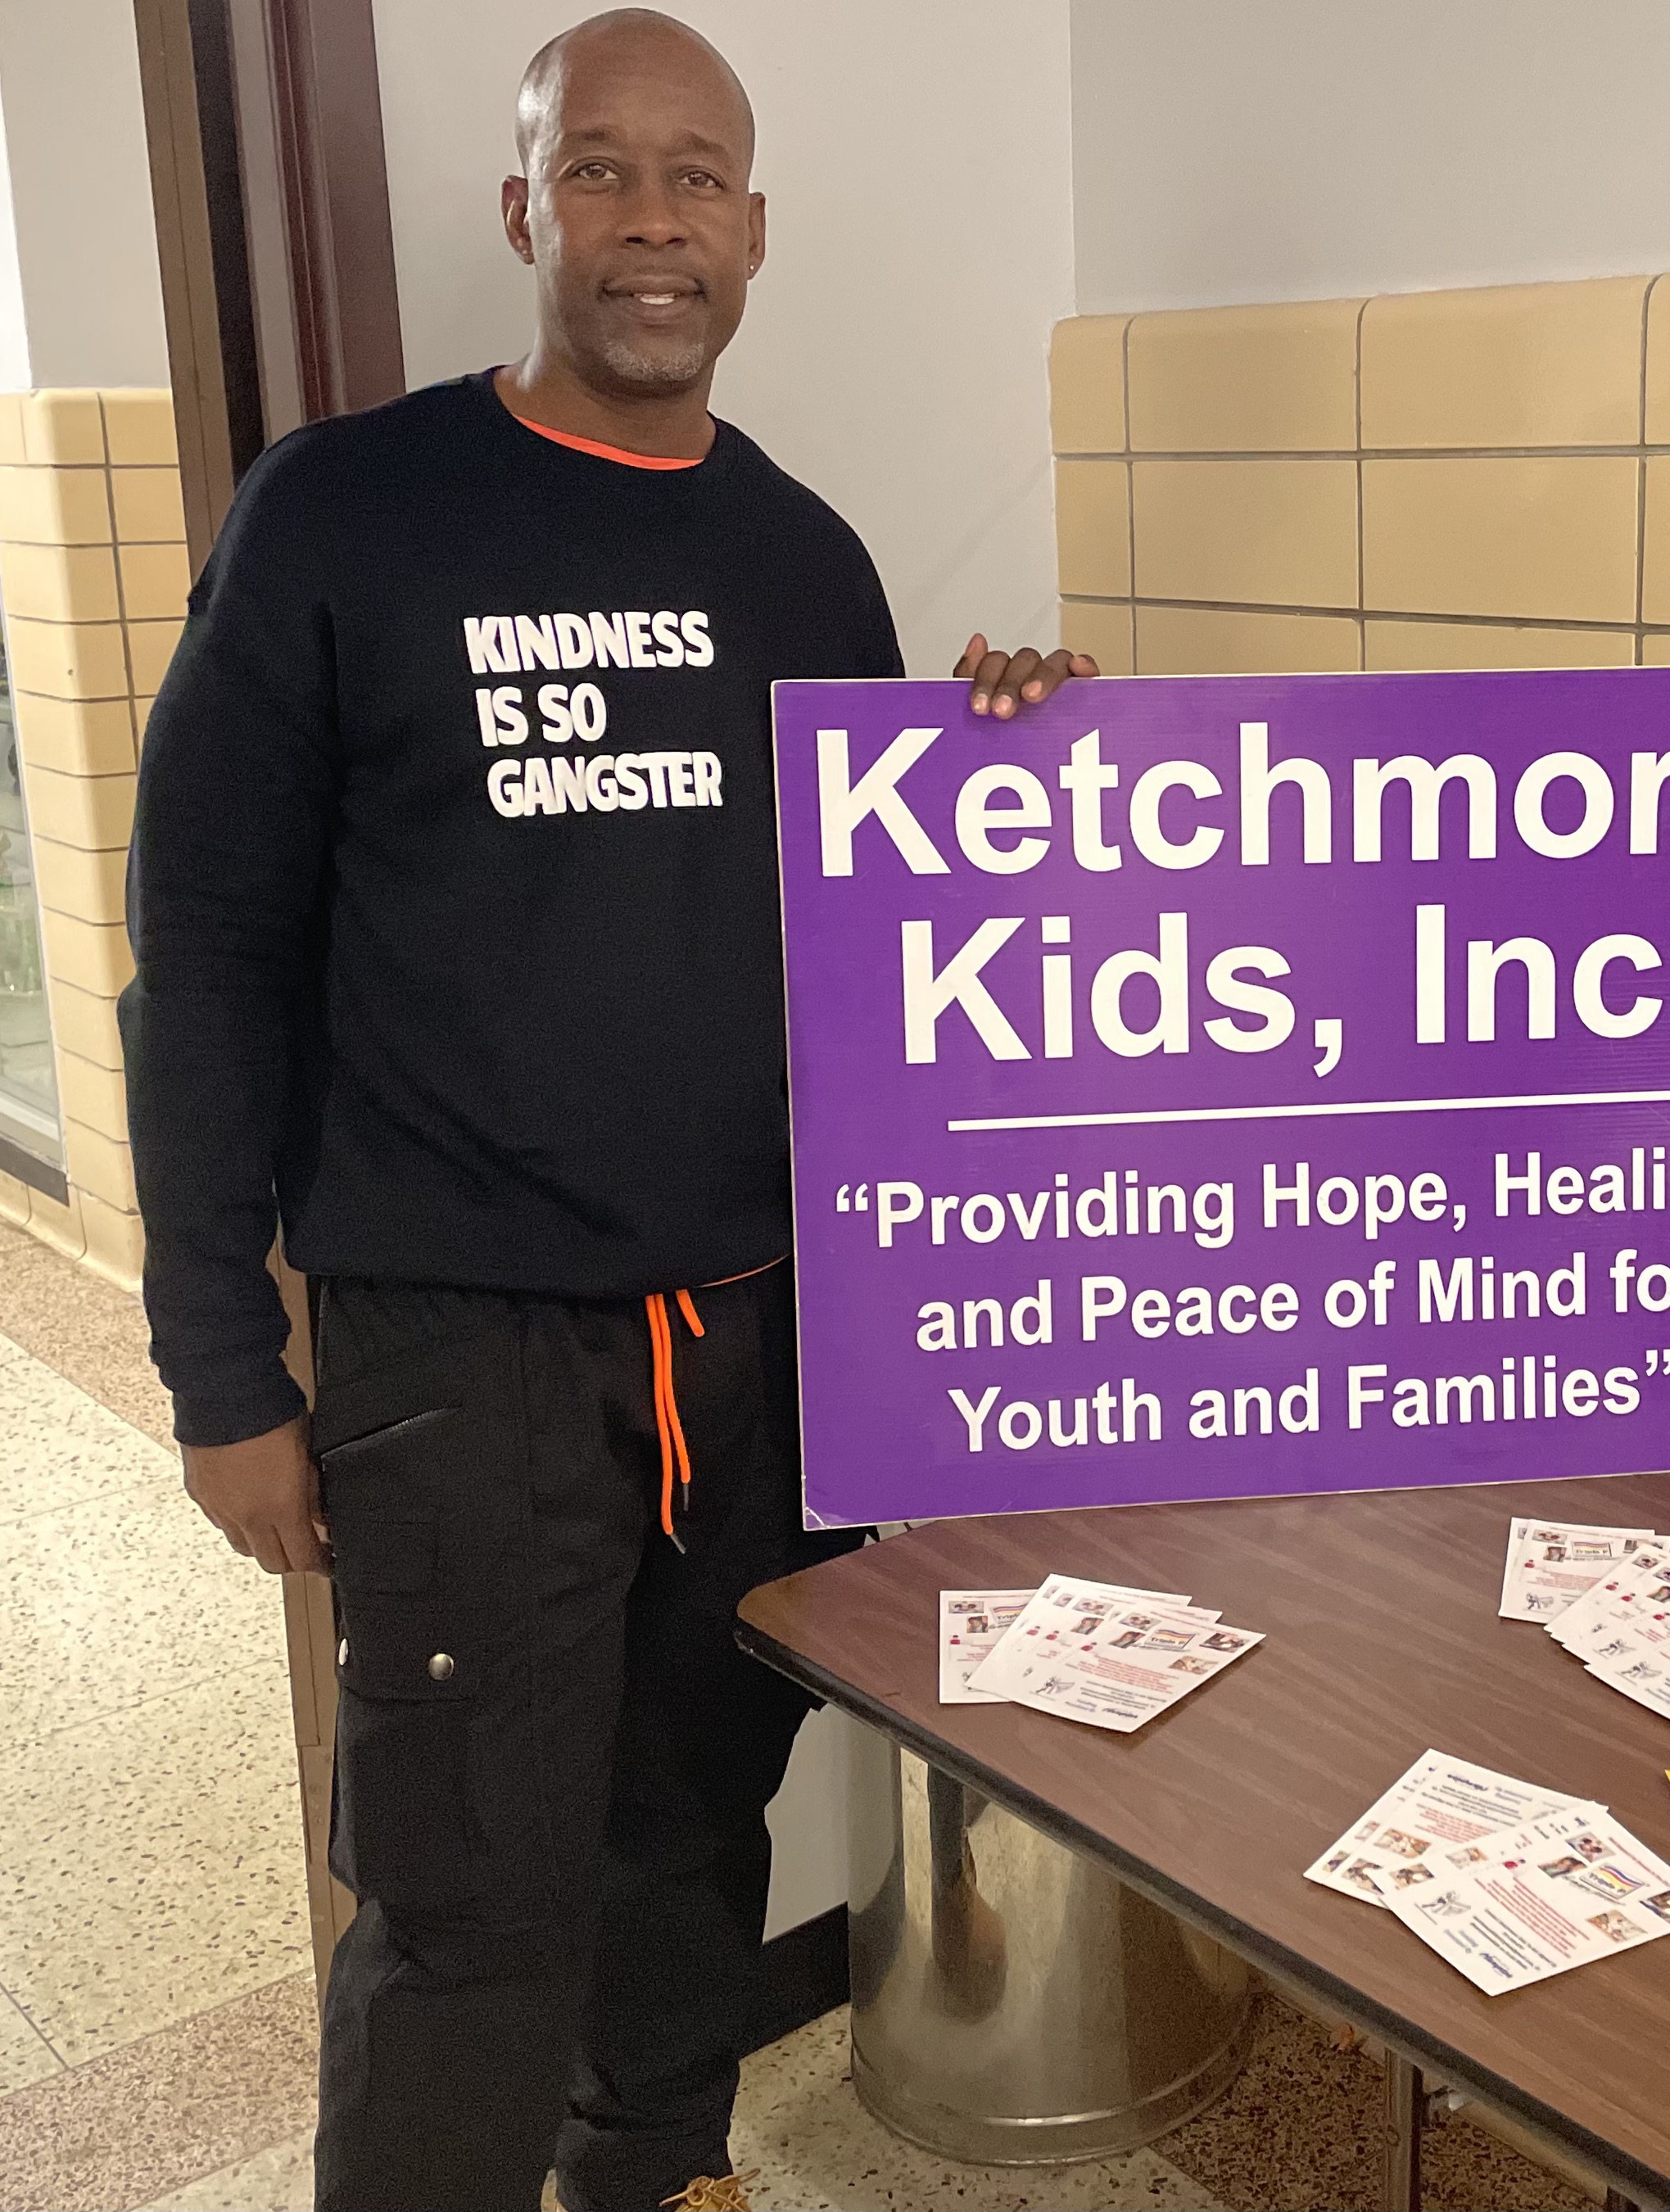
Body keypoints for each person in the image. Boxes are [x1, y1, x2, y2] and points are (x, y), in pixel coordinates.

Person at [119, 12, 1094, 2210]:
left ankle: (652, 2171)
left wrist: (1025, 767)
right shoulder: (347, 517)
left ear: (752, 227)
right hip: (457, 1357)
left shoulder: (804, 560)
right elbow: (212, 965)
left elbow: (871, 933)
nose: (652, 223)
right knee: (469, 1900)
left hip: (749, 1343)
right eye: (599, 174)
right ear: (522, 208)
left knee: (689, 1825)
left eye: (695, 178)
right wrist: (216, 1369)